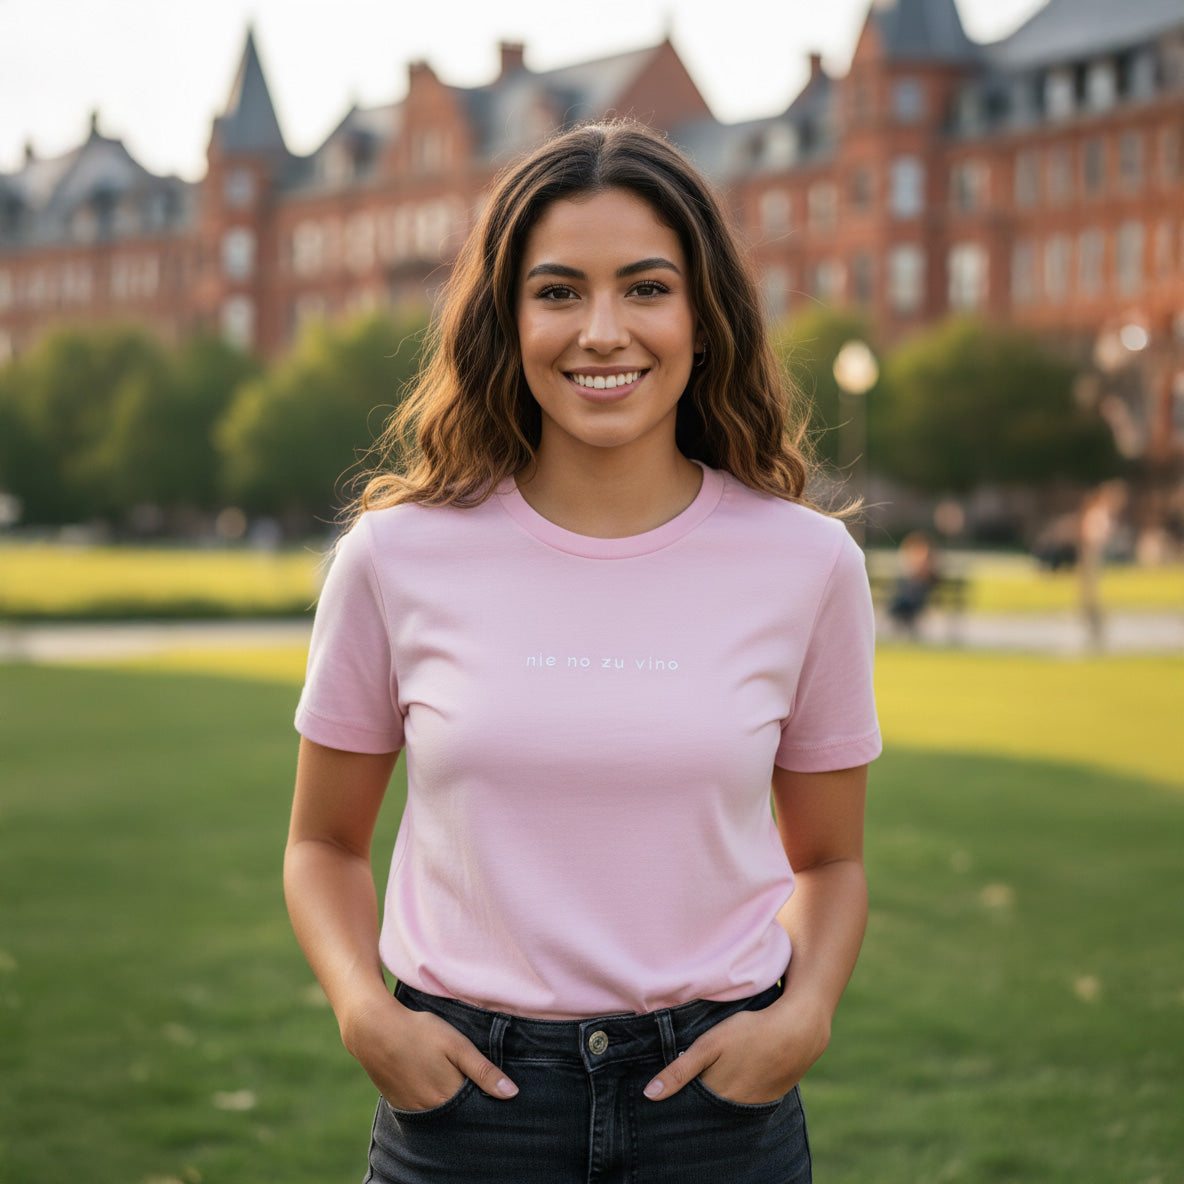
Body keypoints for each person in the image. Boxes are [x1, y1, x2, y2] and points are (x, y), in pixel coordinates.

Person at [284, 119, 881, 1184]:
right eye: (557, 291)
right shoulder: (393, 556)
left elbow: (829, 858)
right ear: (506, 321)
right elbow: (323, 843)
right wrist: (362, 1011)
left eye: (645, 288)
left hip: (716, 1108)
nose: (601, 330)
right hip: (467, 1109)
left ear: (703, 317)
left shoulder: (807, 563)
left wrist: (807, 1015)